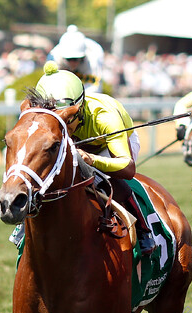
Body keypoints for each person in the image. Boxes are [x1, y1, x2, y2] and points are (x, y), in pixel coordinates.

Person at [35, 62, 156, 255]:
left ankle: (142, 228)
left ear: (79, 110)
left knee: (102, 178)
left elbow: (127, 168)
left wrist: (92, 160)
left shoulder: (105, 118)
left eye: (67, 120)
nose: (61, 126)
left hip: (112, 144)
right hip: (80, 141)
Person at [48, 25, 105, 94]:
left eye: (75, 59)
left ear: (83, 57)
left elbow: (95, 88)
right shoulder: (55, 57)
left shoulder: (93, 57)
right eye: (69, 59)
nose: (72, 63)